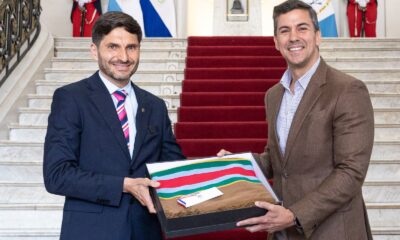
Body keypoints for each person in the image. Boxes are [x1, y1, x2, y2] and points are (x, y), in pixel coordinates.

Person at [218, 1, 374, 239]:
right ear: (275, 42)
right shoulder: (274, 95)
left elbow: (351, 172)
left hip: (333, 231)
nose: (293, 37)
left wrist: (294, 214)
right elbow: (277, 158)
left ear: (318, 36)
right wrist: (238, 163)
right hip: (284, 233)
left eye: (302, 28)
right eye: (284, 30)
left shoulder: (348, 90)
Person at [44, 12, 185, 240]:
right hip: (91, 231)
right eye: (113, 47)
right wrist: (123, 185)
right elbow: (57, 175)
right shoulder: (71, 98)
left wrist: (215, 169)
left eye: (131, 47)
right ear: (94, 50)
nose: (123, 56)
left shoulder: (155, 106)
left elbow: (173, 168)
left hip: (145, 231)